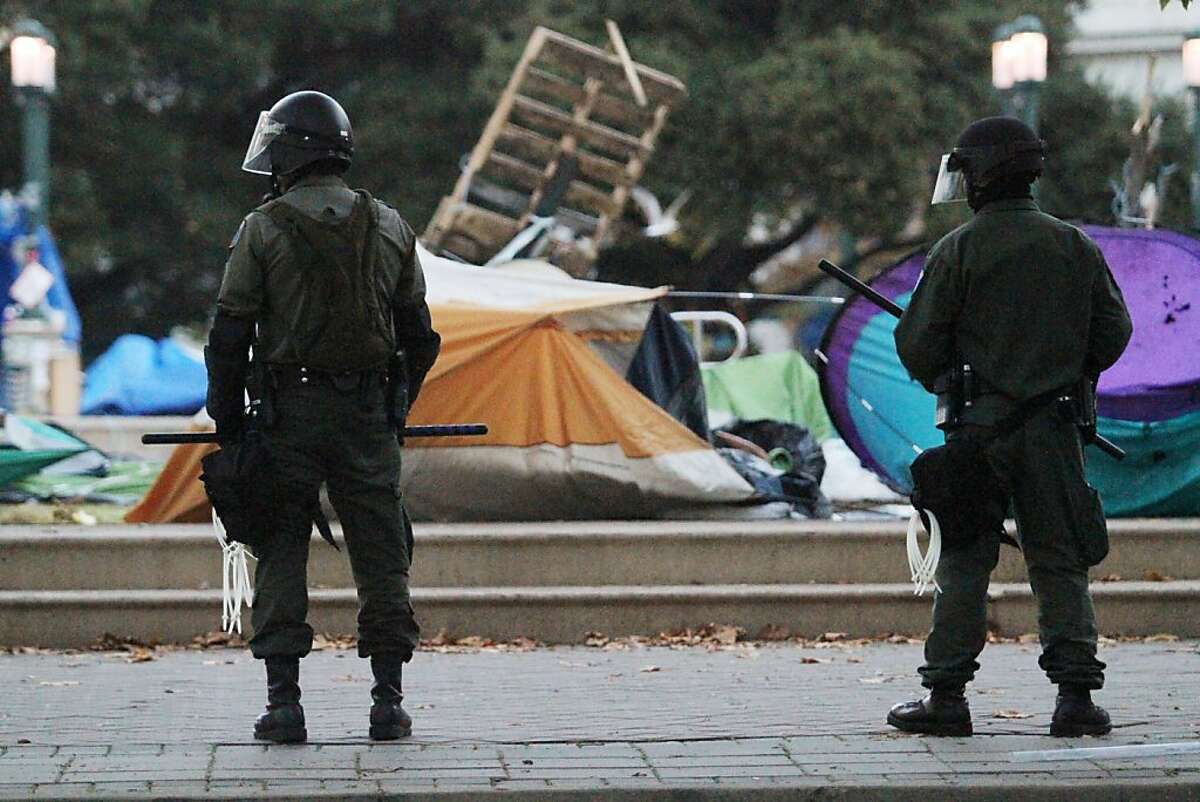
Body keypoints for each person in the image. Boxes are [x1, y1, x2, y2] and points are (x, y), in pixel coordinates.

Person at [205, 90, 441, 743]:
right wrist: (395, 408)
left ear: (292, 152)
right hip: (367, 415)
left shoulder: (263, 229)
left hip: (290, 415)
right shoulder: (391, 225)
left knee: (280, 545)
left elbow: (229, 337)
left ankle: (284, 705)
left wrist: (229, 422)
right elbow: (420, 337)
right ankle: (388, 703)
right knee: (383, 552)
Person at [888, 116, 1132, 738]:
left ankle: (946, 696)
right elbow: (1113, 332)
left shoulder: (958, 250)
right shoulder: (1074, 245)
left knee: (966, 559)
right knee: (1060, 558)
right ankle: (1075, 698)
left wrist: (965, 372)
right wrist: (1059, 369)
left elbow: (917, 346)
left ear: (984, 173)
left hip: (976, 434)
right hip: (1053, 431)